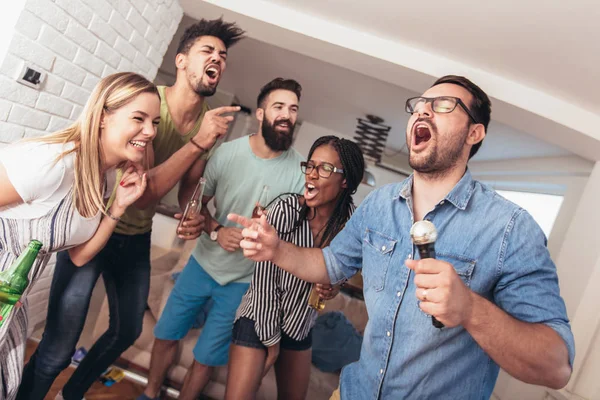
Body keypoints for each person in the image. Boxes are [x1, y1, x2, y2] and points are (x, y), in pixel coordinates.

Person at [229, 75, 575, 399]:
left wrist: (470, 309)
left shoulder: (511, 228)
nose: (423, 109)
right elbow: (330, 263)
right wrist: (276, 249)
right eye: (420, 104)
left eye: (443, 105)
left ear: (474, 133)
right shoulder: (379, 202)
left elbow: (556, 366)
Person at [18, 18, 245, 400]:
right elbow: (142, 193)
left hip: (134, 237)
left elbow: (189, 188)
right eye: (208, 51)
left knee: (126, 330)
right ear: (181, 60)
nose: (217, 60)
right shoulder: (147, 109)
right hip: (92, 230)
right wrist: (198, 143)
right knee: (57, 349)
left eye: (223, 56)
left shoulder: (206, 124)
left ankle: (69, 395)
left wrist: (195, 213)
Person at [139, 78, 306, 400]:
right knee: (165, 335)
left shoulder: (299, 172)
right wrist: (215, 229)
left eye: (293, 109)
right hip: (201, 264)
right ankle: (149, 393)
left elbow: (299, 233)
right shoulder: (228, 153)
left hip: (245, 282)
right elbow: (195, 199)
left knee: (206, 357)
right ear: (260, 113)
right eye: (279, 107)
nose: (287, 114)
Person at [0, 72, 156, 399]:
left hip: (12, 298)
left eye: (154, 122)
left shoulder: (101, 178)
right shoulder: (52, 163)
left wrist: (119, 206)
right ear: (102, 117)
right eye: (139, 119)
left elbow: (80, 255)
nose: (150, 131)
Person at [225, 135, 365, 400]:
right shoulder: (284, 210)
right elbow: (264, 285)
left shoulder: (350, 225)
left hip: (300, 327)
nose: (312, 174)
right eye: (310, 165)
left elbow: (342, 270)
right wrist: (272, 343)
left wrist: (334, 286)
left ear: (345, 180)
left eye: (324, 168)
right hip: (259, 319)